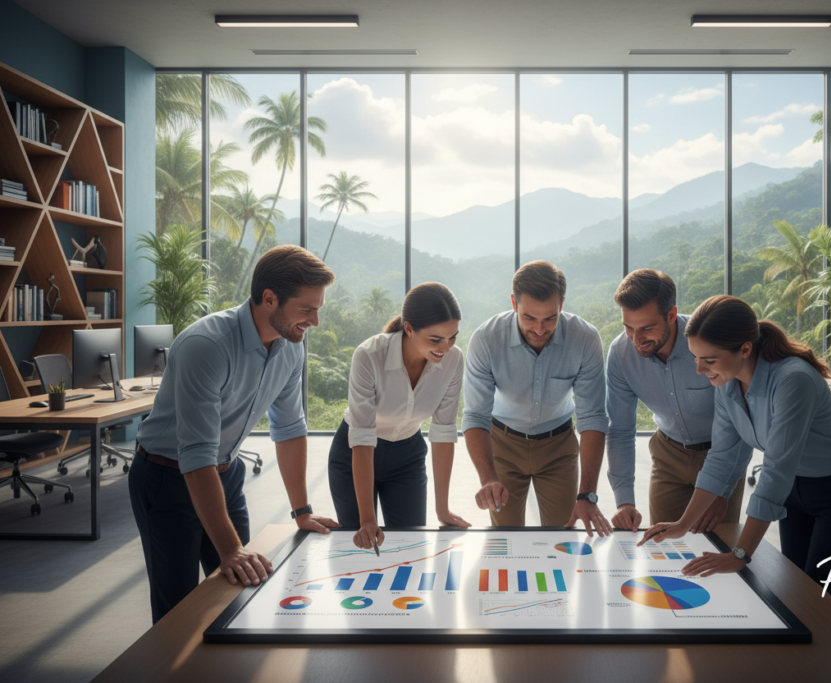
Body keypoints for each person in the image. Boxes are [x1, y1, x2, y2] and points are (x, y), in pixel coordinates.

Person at [129, 245, 340, 623]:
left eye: (318, 309)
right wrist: (229, 550)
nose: (315, 322)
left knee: (241, 588)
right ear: (269, 299)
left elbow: (290, 429)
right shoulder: (206, 346)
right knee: (177, 608)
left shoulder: (291, 346)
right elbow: (195, 455)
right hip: (167, 477)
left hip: (225, 475)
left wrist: (302, 512)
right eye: (307, 310)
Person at [639, 295, 831, 602]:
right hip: (795, 494)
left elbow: (776, 470)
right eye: (695, 358)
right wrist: (682, 525)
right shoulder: (727, 383)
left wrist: (740, 553)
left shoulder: (793, 380)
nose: (699, 370)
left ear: (744, 349)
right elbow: (721, 459)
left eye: (709, 360)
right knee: (796, 592)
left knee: (823, 602)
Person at [462, 260, 611, 535]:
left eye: (550, 318)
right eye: (529, 318)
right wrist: (487, 479)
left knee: (561, 537)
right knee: (506, 539)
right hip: (503, 446)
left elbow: (592, 418)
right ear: (513, 303)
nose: (540, 329)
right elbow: (475, 416)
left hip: (559, 447)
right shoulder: (485, 339)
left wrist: (588, 494)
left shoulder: (585, 339)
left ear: (562, 305)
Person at [328, 282, 470, 550]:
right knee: (360, 547)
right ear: (409, 329)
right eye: (436, 339)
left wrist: (443, 510)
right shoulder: (369, 355)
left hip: (407, 457)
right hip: (353, 456)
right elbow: (362, 437)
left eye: (452, 337)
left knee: (410, 546)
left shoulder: (453, 360)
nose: (446, 347)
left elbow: (442, 432)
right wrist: (368, 520)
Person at [606, 269, 748, 533]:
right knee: (664, 545)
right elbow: (621, 431)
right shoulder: (620, 354)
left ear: (671, 315)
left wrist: (724, 489)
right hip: (667, 455)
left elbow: (740, 424)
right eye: (628, 327)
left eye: (646, 328)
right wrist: (623, 500)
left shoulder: (710, 342)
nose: (636, 340)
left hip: (719, 452)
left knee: (716, 547)